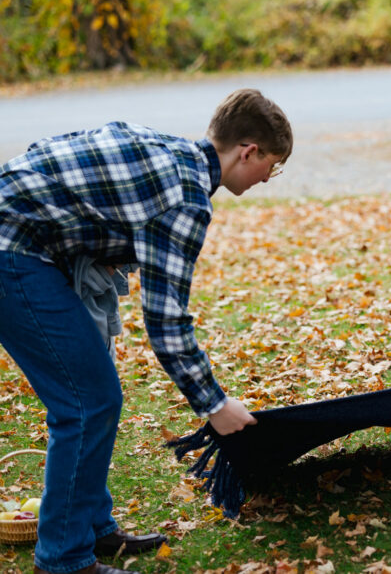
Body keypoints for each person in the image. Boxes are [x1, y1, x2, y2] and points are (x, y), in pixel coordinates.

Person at [0, 89, 291, 574]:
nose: (268, 178)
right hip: (12, 251)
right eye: (272, 166)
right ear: (249, 151)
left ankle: (93, 529)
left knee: (93, 397)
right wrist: (215, 405)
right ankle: (64, 560)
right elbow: (166, 320)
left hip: (28, 245)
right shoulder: (185, 197)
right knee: (87, 401)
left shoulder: (171, 153)